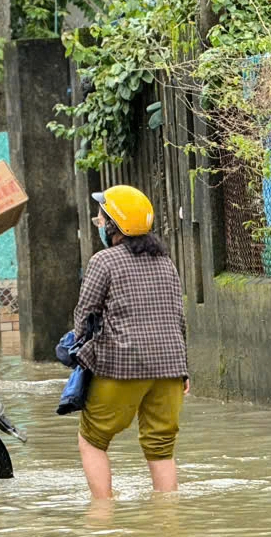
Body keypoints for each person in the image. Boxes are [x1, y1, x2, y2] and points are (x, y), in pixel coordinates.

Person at [74, 185, 190, 498]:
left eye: (101, 220)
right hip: (170, 368)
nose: (100, 225)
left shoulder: (104, 261)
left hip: (122, 366)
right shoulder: (165, 262)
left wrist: (77, 349)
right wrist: (184, 370)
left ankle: (102, 513)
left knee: (92, 439)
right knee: (161, 447)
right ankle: (168, 517)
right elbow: (178, 319)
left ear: (114, 226)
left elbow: (85, 315)